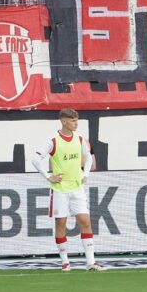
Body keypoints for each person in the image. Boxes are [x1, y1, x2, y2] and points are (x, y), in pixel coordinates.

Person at [44, 109, 99, 271]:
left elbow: (88, 157)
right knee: (61, 223)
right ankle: (65, 261)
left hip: (77, 187)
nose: (76, 123)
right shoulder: (53, 139)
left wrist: (86, 173)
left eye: (77, 120)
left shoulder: (80, 139)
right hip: (60, 188)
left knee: (85, 221)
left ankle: (91, 262)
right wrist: (48, 176)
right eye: (73, 120)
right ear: (64, 121)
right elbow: (36, 158)